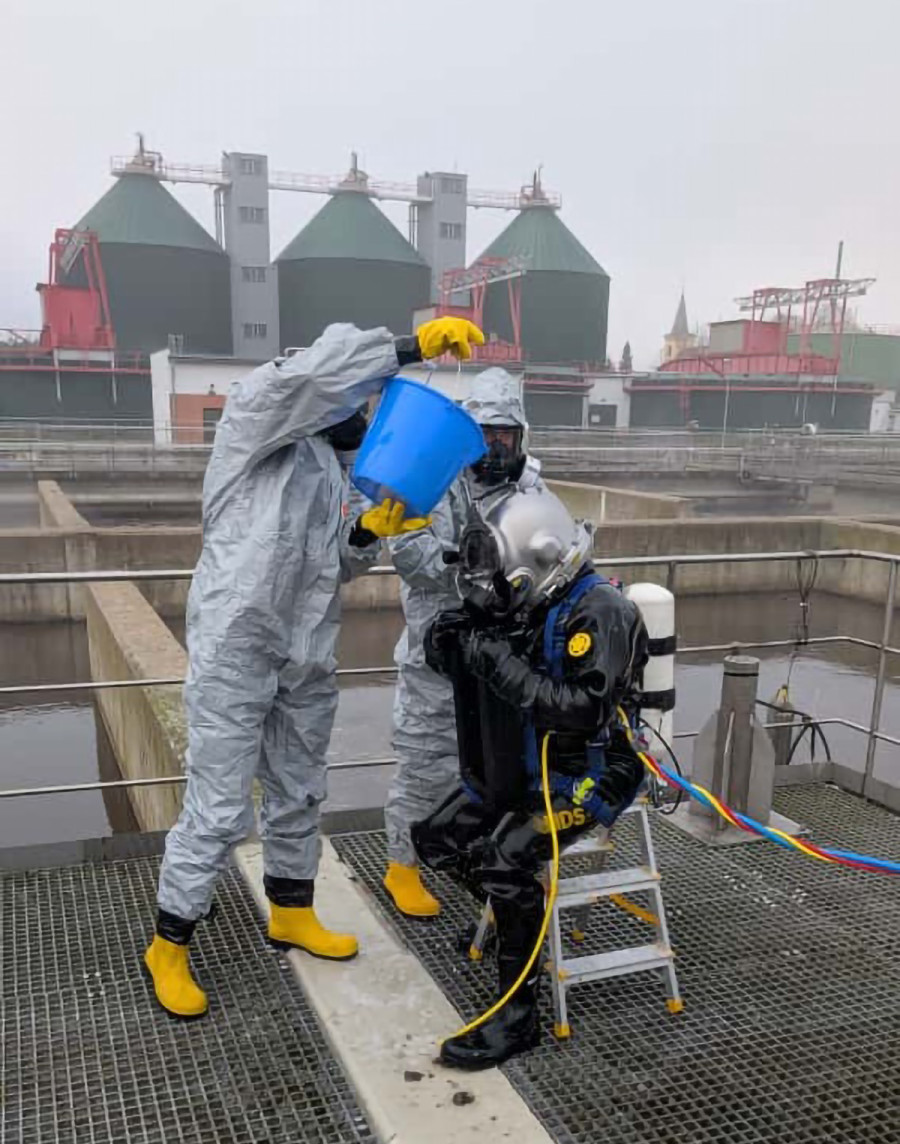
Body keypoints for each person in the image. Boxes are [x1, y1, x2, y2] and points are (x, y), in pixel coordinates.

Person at [145, 315, 484, 1020]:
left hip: (305, 651)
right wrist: (405, 347)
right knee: (218, 805)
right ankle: (170, 943)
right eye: (357, 396)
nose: (361, 412)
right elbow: (312, 379)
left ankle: (291, 909)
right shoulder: (257, 422)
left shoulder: (336, 470)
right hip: (236, 648)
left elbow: (336, 565)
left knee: (300, 787)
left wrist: (367, 532)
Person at [413, 487, 648, 1070]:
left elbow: (582, 709)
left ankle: (518, 1016)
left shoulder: (601, 613)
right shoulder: (525, 604)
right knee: (435, 838)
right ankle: (518, 920)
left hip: (590, 773)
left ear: (537, 562)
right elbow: (477, 653)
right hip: (519, 762)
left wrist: (495, 661)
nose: (497, 596)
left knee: (506, 856)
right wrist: (446, 644)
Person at [383, 368, 544, 918]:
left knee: (495, 766)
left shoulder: (529, 487)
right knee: (426, 762)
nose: (497, 446)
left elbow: (549, 545)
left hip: (501, 655)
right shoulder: (434, 474)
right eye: (487, 434)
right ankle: (401, 866)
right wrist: (468, 562)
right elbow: (410, 553)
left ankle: (473, 857)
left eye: (507, 435)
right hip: (439, 651)